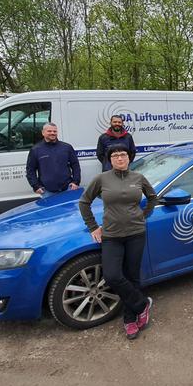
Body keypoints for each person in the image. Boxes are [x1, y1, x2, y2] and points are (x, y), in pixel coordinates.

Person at [78, 145, 158, 340]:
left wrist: (143, 215)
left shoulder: (138, 178)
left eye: (123, 155)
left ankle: (130, 320)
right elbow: (84, 202)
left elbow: (152, 197)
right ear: (110, 160)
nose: (119, 158)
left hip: (136, 234)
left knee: (132, 277)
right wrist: (93, 227)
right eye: (115, 155)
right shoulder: (102, 179)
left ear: (129, 158)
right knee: (113, 275)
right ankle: (142, 305)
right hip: (112, 235)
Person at [25, 122, 81, 198]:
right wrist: (35, 186)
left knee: (69, 210)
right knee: (52, 210)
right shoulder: (36, 150)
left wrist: (76, 181)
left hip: (67, 188)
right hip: (47, 191)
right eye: (49, 131)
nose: (52, 133)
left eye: (55, 131)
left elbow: (75, 165)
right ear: (43, 133)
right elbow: (30, 170)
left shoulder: (66, 147)